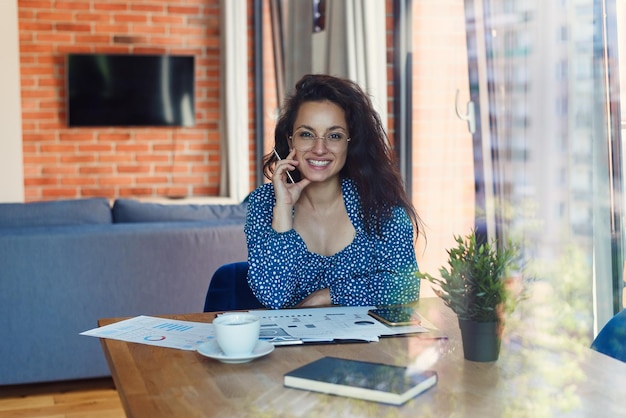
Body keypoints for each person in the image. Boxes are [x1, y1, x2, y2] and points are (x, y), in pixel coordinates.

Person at [244, 74, 421, 309]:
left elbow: (406, 286)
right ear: (291, 140)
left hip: (367, 344)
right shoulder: (265, 203)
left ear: (350, 142)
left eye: (334, 136)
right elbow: (274, 298)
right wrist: (283, 211)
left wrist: (326, 296)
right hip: (292, 346)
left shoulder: (378, 202)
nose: (319, 148)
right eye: (307, 134)